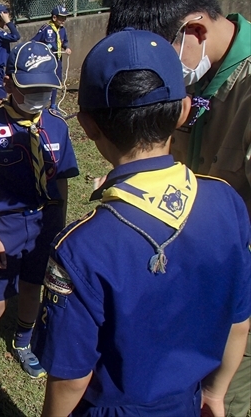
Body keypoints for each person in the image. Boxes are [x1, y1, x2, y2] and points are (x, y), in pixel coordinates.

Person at [31, 28, 251, 417]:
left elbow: (71, 376)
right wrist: (215, 395)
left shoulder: (81, 248)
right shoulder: (227, 201)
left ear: (87, 125)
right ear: (184, 110)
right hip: (189, 401)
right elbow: (239, 320)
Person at [106, 0, 251, 415]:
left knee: (221, 400)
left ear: (195, 32)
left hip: (235, 307)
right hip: (183, 285)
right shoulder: (189, 79)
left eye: (154, 59)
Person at [0, 41, 79, 397]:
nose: (39, 96)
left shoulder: (56, 125)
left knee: (32, 287)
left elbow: (60, 180)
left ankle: (23, 341)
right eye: (31, 89)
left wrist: (59, 224)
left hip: (45, 223)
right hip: (5, 226)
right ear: (9, 83)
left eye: (46, 89)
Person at [31, 5, 72, 111]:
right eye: (61, 18)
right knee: (46, 82)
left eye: (65, 18)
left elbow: (65, 41)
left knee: (56, 82)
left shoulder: (62, 30)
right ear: (54, 18)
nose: (63, 20)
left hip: (58, 60)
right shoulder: (45, 29)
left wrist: (66, 48)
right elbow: (34, 42)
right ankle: (42, 104)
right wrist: (42, 50)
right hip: (47, 61)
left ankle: (53, 104)